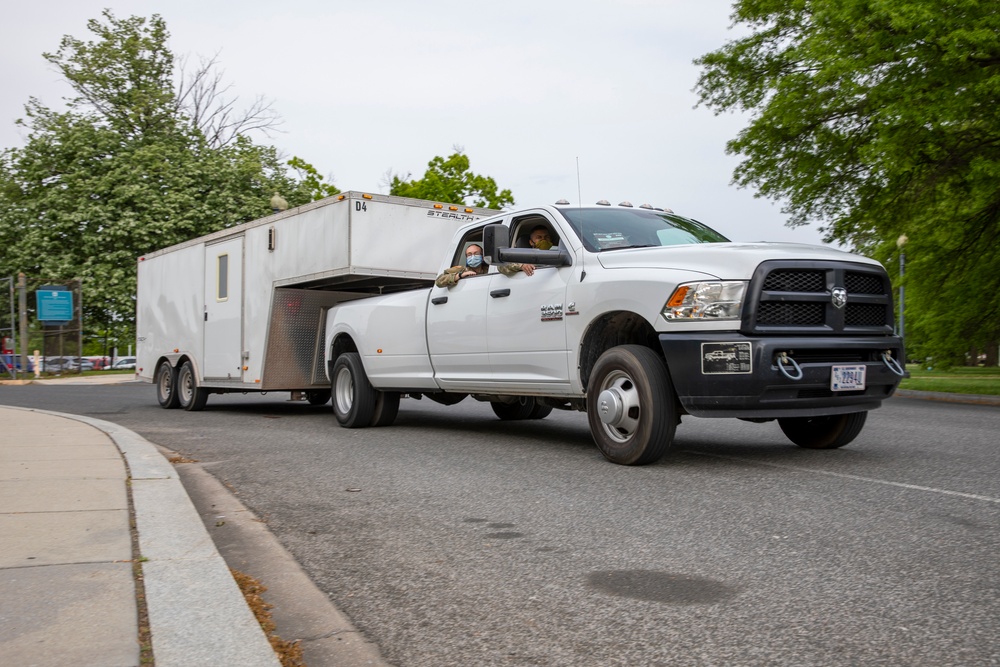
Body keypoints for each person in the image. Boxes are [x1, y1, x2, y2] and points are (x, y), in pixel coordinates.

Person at [435, 243, 535, 287]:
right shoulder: (461, 270)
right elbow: (439, 281)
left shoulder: (491, 268)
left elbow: (503, 266)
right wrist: (459, 276)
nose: (473, 256)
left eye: (476, 254)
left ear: (483, 256)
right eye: (469, 255)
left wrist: (520, 265)